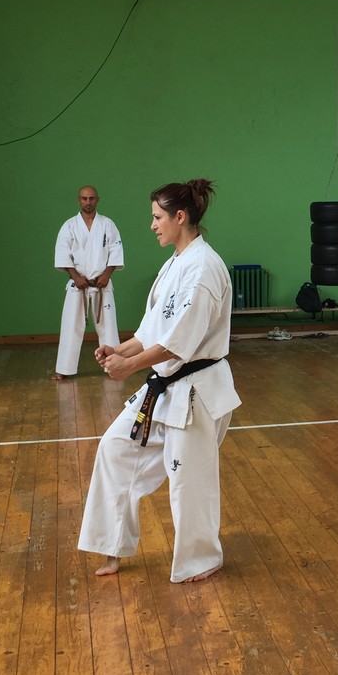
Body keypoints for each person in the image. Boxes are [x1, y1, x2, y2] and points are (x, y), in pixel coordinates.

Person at [77, 179, 240, 583]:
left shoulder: (203, 269)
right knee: (115, 448)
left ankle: (202, 558)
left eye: (157, 217)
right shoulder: (175, 264)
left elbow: (177, 344)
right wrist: (120, 350)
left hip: (197, 391)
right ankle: (112, 545)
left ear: (179, 217)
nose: (152, 225)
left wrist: (129, 367)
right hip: (166, 389)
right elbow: (153, 332)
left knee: (189, 480)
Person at [53, 186, 124, 380]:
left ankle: (113, 367)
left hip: (102, 284)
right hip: (78, 285)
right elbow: (63, 252)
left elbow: (115, 250)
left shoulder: (107, 224)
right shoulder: (69, 225)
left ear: (97, 200)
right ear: (79, 200)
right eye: (84, 198)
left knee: (109, 328)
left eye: (91, 198)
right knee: (71, 327)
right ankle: (64, 369)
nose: (88, 202)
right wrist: (75, 276)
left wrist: (107, 274)